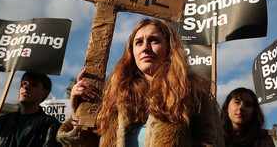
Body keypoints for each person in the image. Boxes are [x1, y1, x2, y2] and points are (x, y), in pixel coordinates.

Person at [57, 18, 224, 146]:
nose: (145, 47)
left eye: (154, 40)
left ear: (169, 48)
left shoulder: (194, 93)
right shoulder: (113, 97)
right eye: (138, 42)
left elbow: (209, 142)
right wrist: (77, 113)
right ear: (132, 51)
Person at [0, 71, 62, 147]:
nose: (26, 87)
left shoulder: (50, 126)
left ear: (45, 93)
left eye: (33, 84)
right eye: (23, 84)